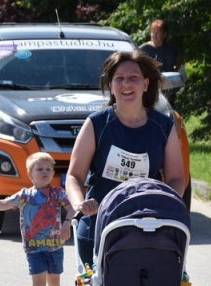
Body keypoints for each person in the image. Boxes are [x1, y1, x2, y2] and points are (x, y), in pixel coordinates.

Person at [65, 49, 186, 268]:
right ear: (111, 85)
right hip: (99, 226)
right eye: (119, 79)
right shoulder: (96, 124)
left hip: (148, 225)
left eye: (133, 78)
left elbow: (177, 178)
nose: (126, 84)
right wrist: (79, 204)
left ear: (145, 84)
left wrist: (166, 205)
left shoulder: (163, 126)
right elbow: (74, 176)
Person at [0, 153, 72, 286]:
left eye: (48, 169)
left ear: (53, 172)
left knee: (54, 281)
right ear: (30, 174)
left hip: (55, 246)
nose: (45, 172)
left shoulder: (57, 193)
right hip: (34, 248)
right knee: (39, 284)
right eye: (40, 169)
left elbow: (71, 207)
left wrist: (67, 223)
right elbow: (4, 203)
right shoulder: (25, 195)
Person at [139, 19, 184, 103]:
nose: (154, 35)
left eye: (157, 33)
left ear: (164, 34)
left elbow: (179, 57)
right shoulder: (144, 49)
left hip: (169, 91)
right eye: (152, 32)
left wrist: (176, 68)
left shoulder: (170, 49)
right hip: (151, 92)